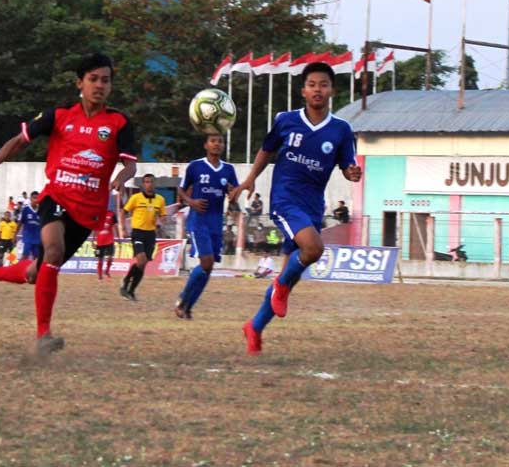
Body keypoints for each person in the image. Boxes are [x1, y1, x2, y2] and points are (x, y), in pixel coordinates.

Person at [0, 53, 137, 354]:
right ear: (79, 83)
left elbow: (130, 165)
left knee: (37, 271)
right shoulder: (58, 116)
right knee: (54, 250)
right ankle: (43, 335)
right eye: (93, 79)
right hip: (55, 197)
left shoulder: (119, 122)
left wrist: (122, 177)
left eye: (105, 80)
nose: (99, 85)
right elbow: (19, 141)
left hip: (87, 213)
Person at [230, 62, 362, 356]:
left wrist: (351, 173)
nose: (318, 89)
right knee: (313, 249)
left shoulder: (341, 129)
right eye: (312, 84)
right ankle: (280, 285)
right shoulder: (287, 120)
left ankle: (255, 326)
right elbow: (266, 149)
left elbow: (347, 165)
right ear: (303, 90)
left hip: (313, 204)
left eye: (324, 84)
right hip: (285, 198)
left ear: (332, 90)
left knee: (293, 271)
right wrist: (251, 177)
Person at [174, 133, 238, 319]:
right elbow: (180, 189)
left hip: (216, 222)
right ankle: (183, 298)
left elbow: (233, 195)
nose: (217, 144)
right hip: (198, 221)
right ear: (206, 145)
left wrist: (234, 197)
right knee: (206, 262)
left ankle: (187, 307)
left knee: (208, 268)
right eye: (213, 141)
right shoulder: (196, 166)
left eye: (220, 141)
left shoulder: (228, 170)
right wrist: (191, 202)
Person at [120, 173, 166, 301]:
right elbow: (123, 211)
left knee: (143, 264)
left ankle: (131, 290)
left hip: (150, 234)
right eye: (146, 182)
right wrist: (123, 228)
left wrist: (160, 222)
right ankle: (126, 280)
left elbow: (163, 215)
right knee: (141, 260)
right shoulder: (136, 198)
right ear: (143, 184)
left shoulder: (160, 199)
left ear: (154, 183)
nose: (149, 184)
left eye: (151, 181)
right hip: (138, 232)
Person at [18, 190, 42, 261]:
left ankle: (35, 271)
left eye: (37, 198)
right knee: (25, 256)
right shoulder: (25, 209)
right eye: (34, 198)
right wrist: (14, 234)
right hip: (27, 238)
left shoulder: (41, 210)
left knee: (37, 258)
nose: (36, 200)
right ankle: (20, 270)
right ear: (30, 199)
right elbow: (20, 223)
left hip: (37, 239)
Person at [94, 205, 116, 281]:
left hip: (110, 239)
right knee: (100, 258)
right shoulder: (98, 214)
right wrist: (93, 240)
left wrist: (119, 237)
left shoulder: (112, 214)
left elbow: (115, 226)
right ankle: (100, 276)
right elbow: (95, 227)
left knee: (110, 257)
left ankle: (107, 271)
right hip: (100, 241)